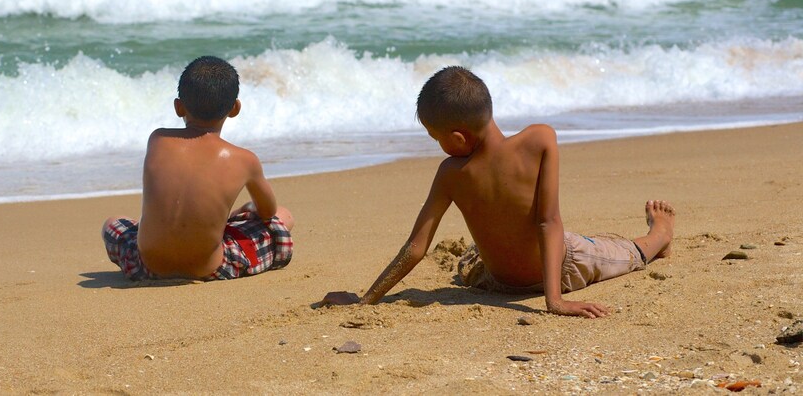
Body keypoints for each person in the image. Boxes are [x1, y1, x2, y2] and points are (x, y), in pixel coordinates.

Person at [320, 66, 674, 317]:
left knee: (627, 253)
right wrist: (554, 299)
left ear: (458, 138)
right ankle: (652, 235)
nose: (438, 145)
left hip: (536, 271)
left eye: (436, 137)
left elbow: (415, 247)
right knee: (587, 248)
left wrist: (367, 299)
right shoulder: (540, 139)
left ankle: (660, 234)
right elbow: (547, 222)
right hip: (539, 272)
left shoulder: (451, 174)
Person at [102, 56, 294, 281]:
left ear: (178, 106)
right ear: (235, 108)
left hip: (144, 266)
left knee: (113, 222)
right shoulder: (245, 160)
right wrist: (248, 208)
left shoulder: (157, 139)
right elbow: (268, 212)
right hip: (209, 268)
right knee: (283, 216)